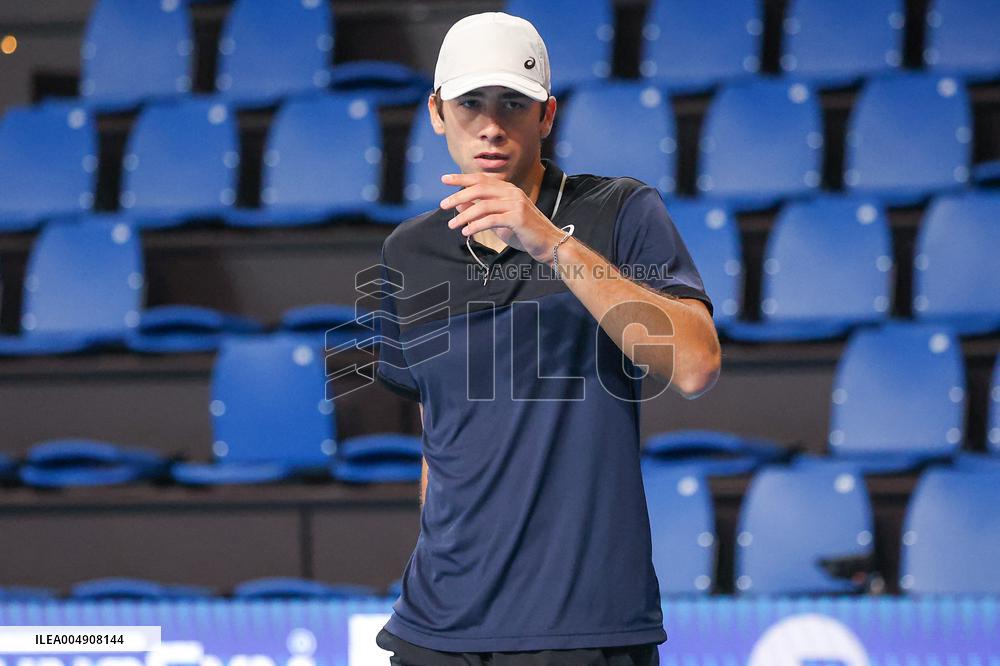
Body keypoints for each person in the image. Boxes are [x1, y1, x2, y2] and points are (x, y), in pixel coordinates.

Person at [374, 11, 721, 666]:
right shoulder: (405, 252)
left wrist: (551, 244)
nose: (492, 124)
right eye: (471, 102)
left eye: (514, 102)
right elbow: (437, 434)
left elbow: (696, 364)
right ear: (437, 112)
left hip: (583, 629)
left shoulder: (619, 211)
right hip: (436, 629)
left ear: (548, 115)